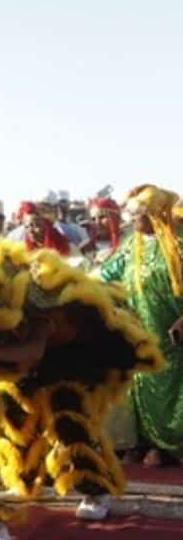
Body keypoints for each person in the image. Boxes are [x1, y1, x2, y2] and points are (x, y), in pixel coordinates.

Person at [99, 184, 183, 468]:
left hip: (175, 332)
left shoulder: (178, 242)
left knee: (176, 387)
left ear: (156, 213)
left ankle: (176, 444)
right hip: (141, 331)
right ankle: (153, 443)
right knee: (145, 385)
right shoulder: (130, 245)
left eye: (139, 214)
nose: (132, 220)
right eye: (131, 214)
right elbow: (106, 275)